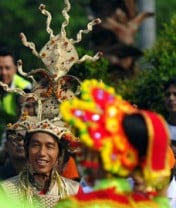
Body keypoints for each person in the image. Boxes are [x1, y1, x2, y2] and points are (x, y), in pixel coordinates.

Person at [58, 79, 173, 207]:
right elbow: (156, 127)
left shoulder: (75, 204)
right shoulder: (150, 204)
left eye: (84, 151)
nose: (80, 157)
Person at [0, 120, 82, 208]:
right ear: (27, 150)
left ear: (59, 154)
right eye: (36, 145)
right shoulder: (7, 191)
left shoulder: (74, 191)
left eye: (49, 146)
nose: (42, 153)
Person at [0, 49, 31, 145]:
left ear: (15, 69)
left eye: (7, 68)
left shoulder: (24, 88)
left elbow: (26, 119)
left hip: (15, 138)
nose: (3, 73)